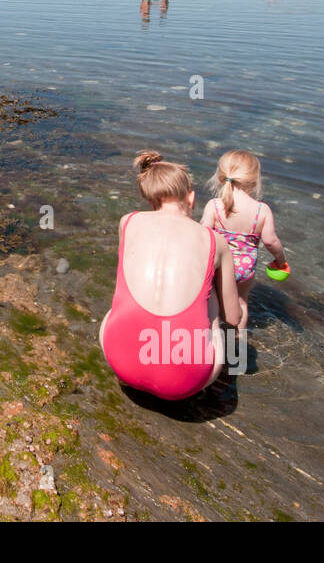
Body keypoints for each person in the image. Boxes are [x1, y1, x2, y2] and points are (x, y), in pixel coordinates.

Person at [99, 151, 241, 401]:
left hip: (120, 362)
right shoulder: (214, 241)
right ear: (191, 197)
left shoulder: (127, 222)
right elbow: (233, 316)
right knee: (212, 300)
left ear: (150, 199)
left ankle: (131, 370)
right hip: (184, 384)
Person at [200, 150, 286, 331]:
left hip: (218, 265)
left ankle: (213, 337)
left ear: (222, 176)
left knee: (212, 301)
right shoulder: (261, 210)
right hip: (244, 267)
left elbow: (203, 234)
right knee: (241, 302)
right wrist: (281, 260)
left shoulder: (214, 206)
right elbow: (270, 241)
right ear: (254, 181)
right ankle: (237, 342)